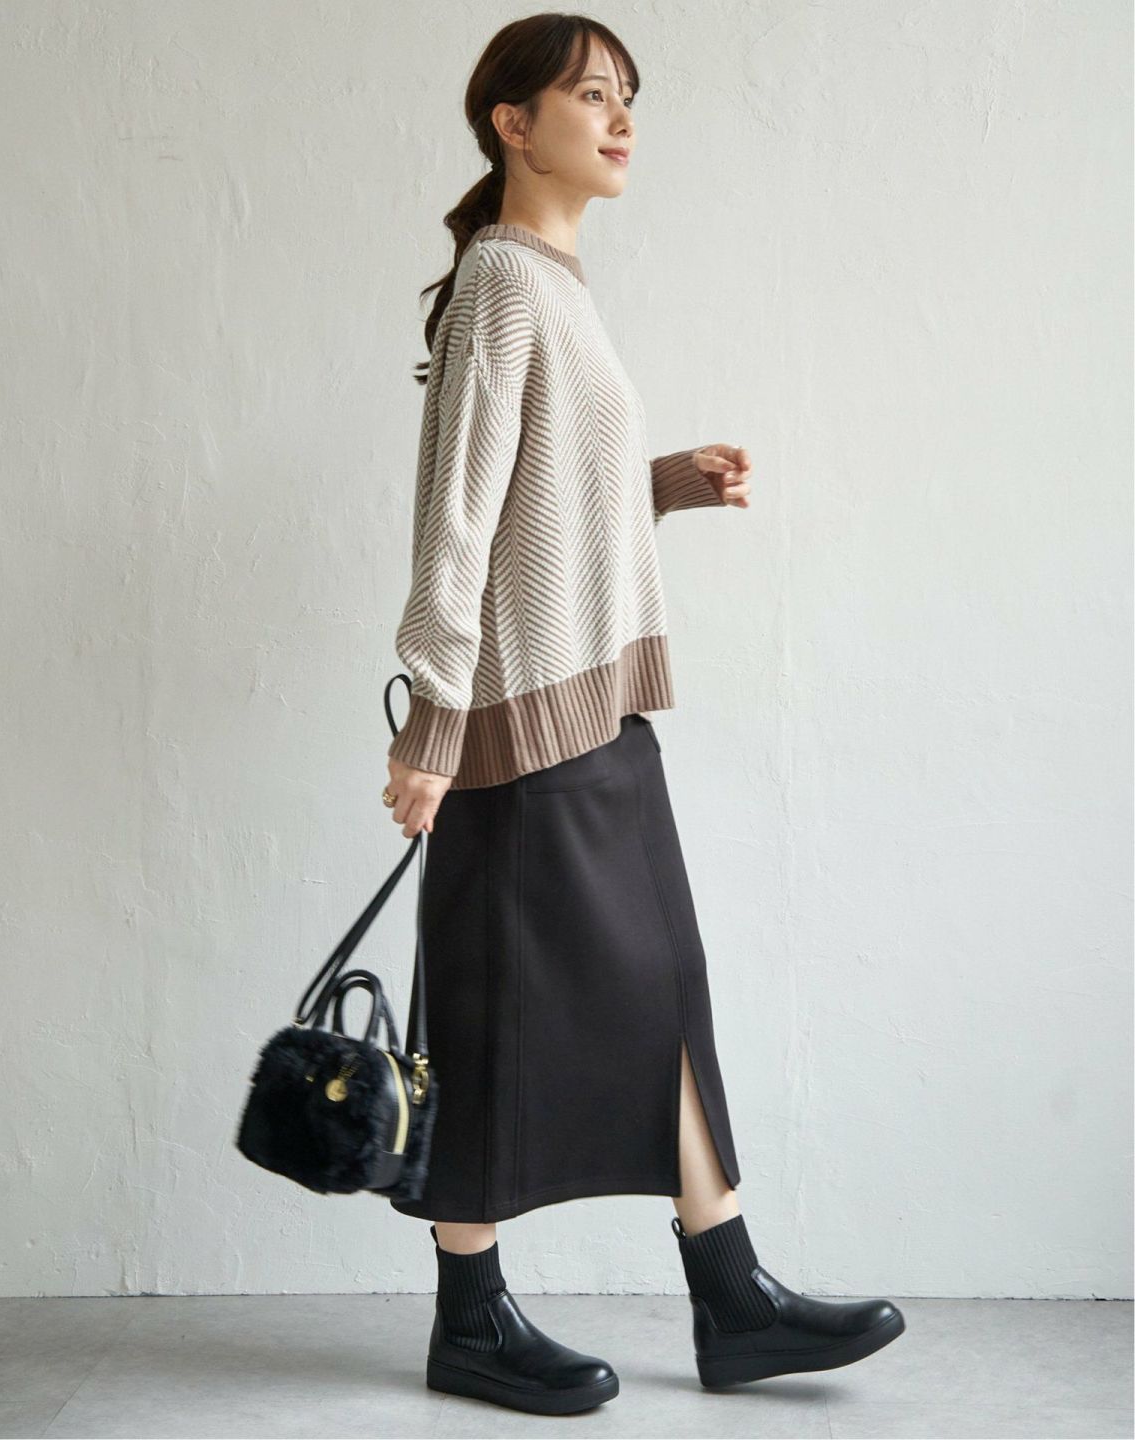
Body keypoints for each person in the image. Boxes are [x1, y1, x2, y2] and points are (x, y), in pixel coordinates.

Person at [379, 12, 905, 1417]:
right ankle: (472, 1319)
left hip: (596, 705)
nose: (620, 120)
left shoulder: (554, 282)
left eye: (628, 97)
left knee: (662, 984)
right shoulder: (502, 280)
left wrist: (666, 480)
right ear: (513, 124)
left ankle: (730, 1293)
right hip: (515, 721)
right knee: (489, 1009)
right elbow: (458, 520)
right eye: (590, 95)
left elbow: (546, 484)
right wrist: (433, 722)